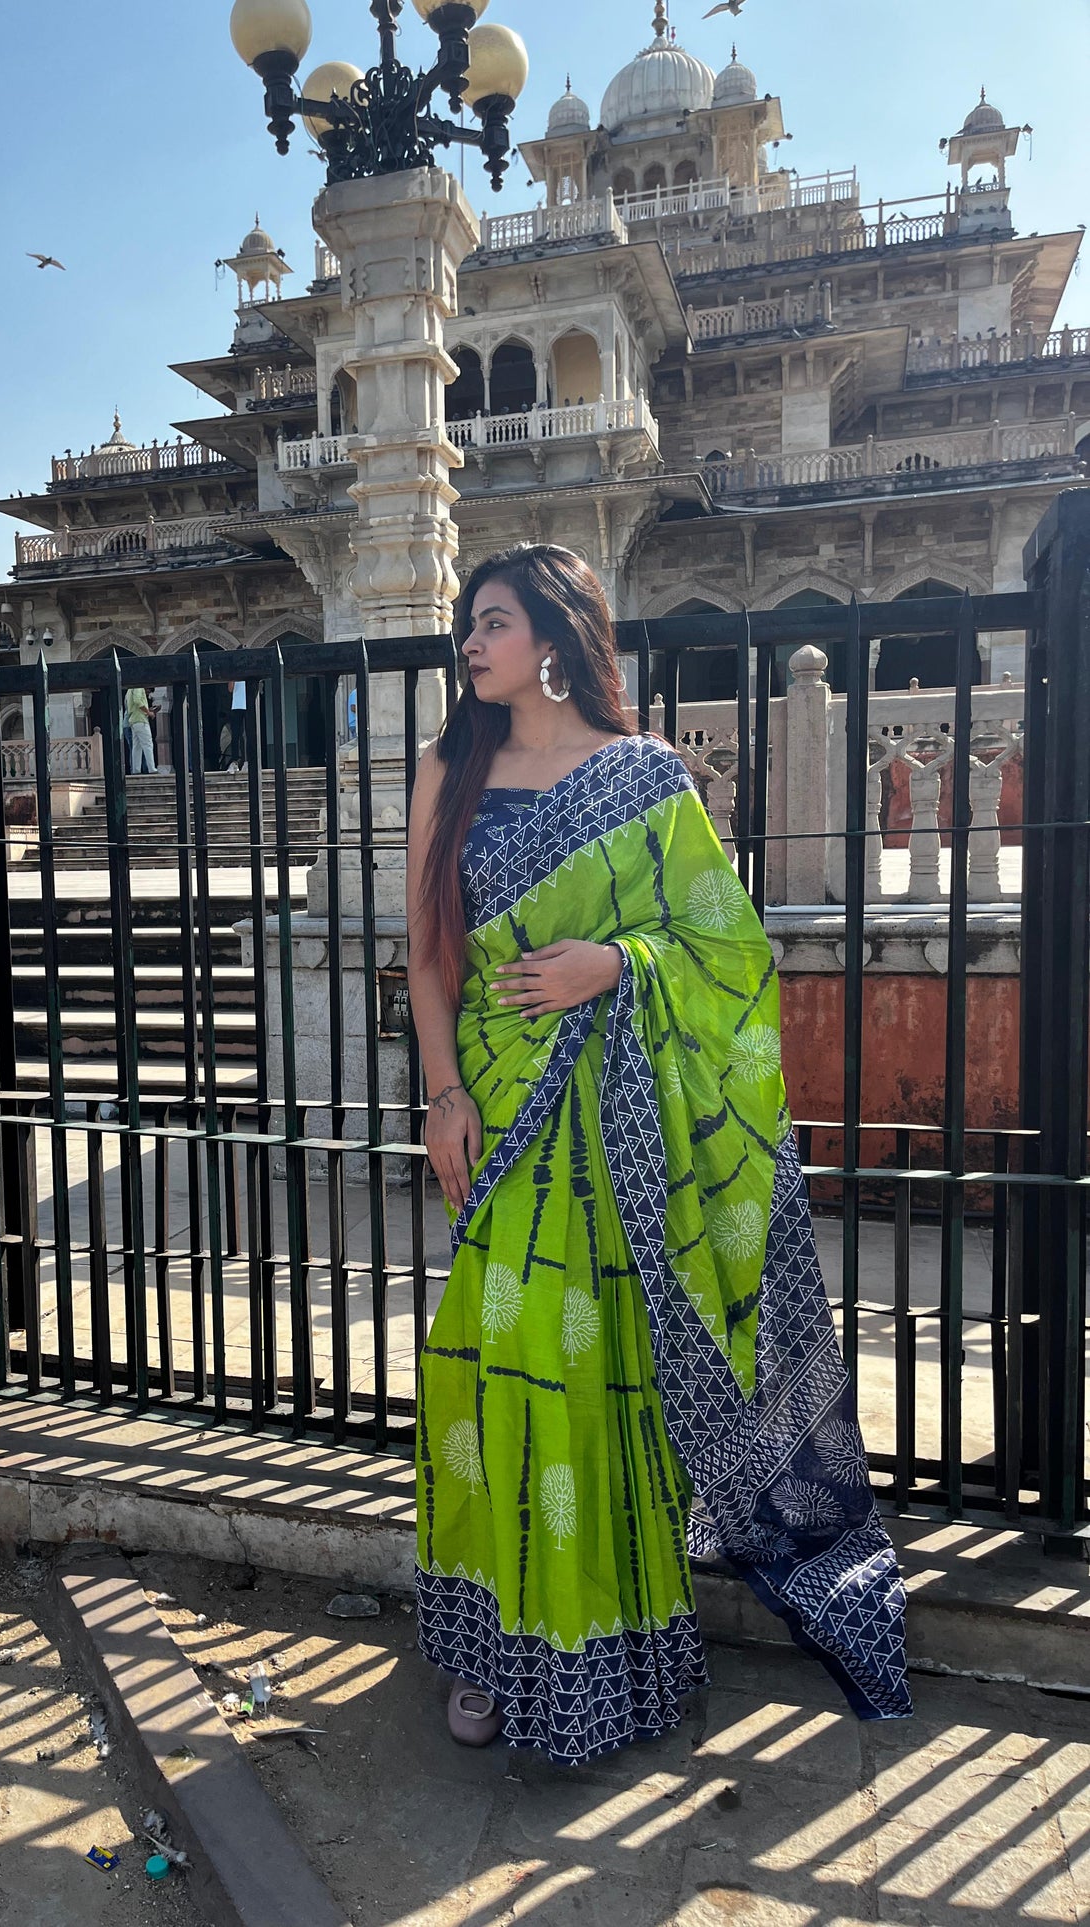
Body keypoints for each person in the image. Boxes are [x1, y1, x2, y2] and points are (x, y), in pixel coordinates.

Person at [405, 543, 910, 1764]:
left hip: (622, 1131)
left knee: (598, 1381)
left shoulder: (642, 779)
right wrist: (439, 1094)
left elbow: (724, 947)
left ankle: (605, 1645)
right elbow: (426, 948)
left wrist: (612, 967)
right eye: (467, 625)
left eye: (492, 622)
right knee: (486, 1365)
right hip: (503, 1105)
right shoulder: (448, 765)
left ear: (556, 643)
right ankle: (485, 1644)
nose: (470, 644)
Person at [126, 683, 155, 774]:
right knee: (148, 744)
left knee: (136, 746)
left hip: (133, 720)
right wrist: (148, 712)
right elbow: (137, 701)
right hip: (141, 719)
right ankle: (152, 769)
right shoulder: (138, 686)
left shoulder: (129, 690)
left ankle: (136, 770)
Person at [226, 677, 248, 770]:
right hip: (236, 705)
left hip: (249, 704)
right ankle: (235, 761)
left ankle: (247, 761)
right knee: (235, 735)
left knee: (247, 735)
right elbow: (230, 689)